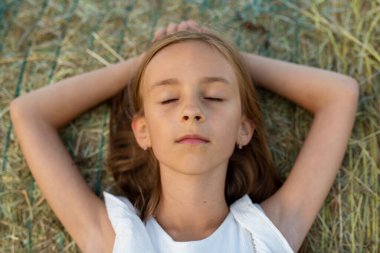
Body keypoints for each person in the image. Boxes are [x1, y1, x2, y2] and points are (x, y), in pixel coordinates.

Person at [9, 20, 359, 253]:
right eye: (168, 97)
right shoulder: (119, 238)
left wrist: (227, 57)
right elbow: (28, 113)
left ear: (243, 128)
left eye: (216, 96)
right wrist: (145, 64)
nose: (191, 110)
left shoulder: (267, 232)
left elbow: (340, 95)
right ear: (143, 131)